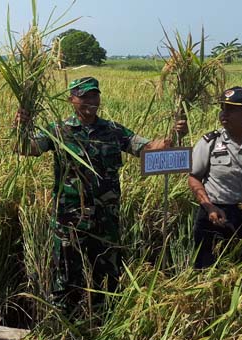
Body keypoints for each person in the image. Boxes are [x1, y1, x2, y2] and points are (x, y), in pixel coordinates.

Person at [15, 77, 188, 313]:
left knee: (108, 277)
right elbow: (27, 149)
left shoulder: (113, 130)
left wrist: (175, 135)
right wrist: (20, 127)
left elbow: (147, 148)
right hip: (70, 220)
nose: (91, 101)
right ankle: (63, 326)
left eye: (94, 95)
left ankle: (103, 323)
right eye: (84, 96)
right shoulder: (58, 130)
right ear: (71, 99)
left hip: (106, 219)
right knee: (66, 277)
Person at [189, 86, 242, 269]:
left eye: (231, 109)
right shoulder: (210, 142)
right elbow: (194, 178)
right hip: (215, 216)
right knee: (207, 271)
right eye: (222, 108)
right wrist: (208, 206)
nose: (224, 114)